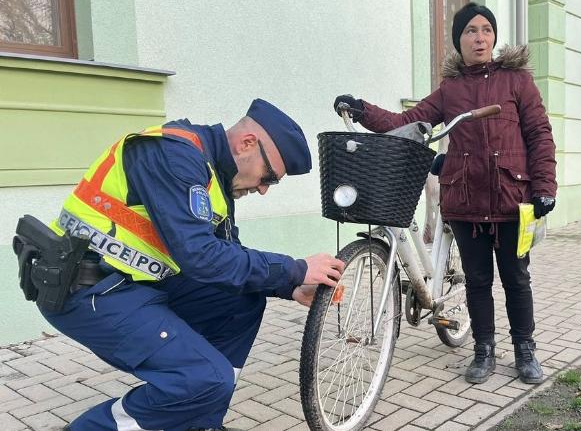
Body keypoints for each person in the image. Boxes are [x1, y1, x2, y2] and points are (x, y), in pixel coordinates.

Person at [22, 98, 344, 431]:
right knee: (204, 379)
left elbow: (225, 255)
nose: (263, 189)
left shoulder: (211, 172)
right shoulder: (172, 154)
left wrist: (288, 284)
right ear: (248, 144)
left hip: (131, 282)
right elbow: (201, 257)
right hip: (85, 288)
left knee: (241, 303)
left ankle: (199, 421)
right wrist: (295, 268)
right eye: (270, 177)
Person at [333, 2, 557, 385]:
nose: (480, 37)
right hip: (465, 202)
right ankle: (483, 350)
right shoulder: (451, 89)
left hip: (511, 200)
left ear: (494, 37)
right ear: (459, 40)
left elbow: (539, 134)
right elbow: (407, 122)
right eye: (470, 30)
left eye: (486, 29)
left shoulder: (517, 81)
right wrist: (363, 110)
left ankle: (525, 351)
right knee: (478, 281)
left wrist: (544, 186)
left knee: (517, 280)